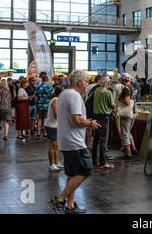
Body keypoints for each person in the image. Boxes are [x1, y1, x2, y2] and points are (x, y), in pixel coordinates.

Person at [49, 70, 100, 214]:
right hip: (74, 142)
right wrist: (90, 124)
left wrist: (87, 121)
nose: (87, 84)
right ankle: (59, 200)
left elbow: (73, 118)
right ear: (80, 82)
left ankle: (70, 206)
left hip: (66, 140)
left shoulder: (64, 94)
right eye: (87, 81)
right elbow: (77, 120)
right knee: (86, 170)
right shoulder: (74, 95)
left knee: (72, 174)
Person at [92, 76, 115, 169]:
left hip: (96, 117)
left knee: (96, 139)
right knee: (103, 140)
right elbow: (112, 105)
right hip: (104, 117)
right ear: (107, 83)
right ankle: (103, 162)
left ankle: (94, 159)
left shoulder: (97, 90)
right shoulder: (108, 92)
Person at [45, 86, 64, 172]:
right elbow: (56, 114)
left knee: (56, 145)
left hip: (56, 125)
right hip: (51, 125)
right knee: (53, 145)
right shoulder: (56, 100)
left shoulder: (58, 100)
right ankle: (51, 164)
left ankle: (56, 162)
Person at [117, 73, 136, 159]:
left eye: (121, 79)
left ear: (124, 80)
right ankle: (133, 149)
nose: (120, 81)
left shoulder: (126, 89)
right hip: (132, 112)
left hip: (126, 113)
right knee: (128, 131)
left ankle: (128, 153)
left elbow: (127, 102)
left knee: (124, 132)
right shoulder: (132, 87)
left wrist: (119, 98)